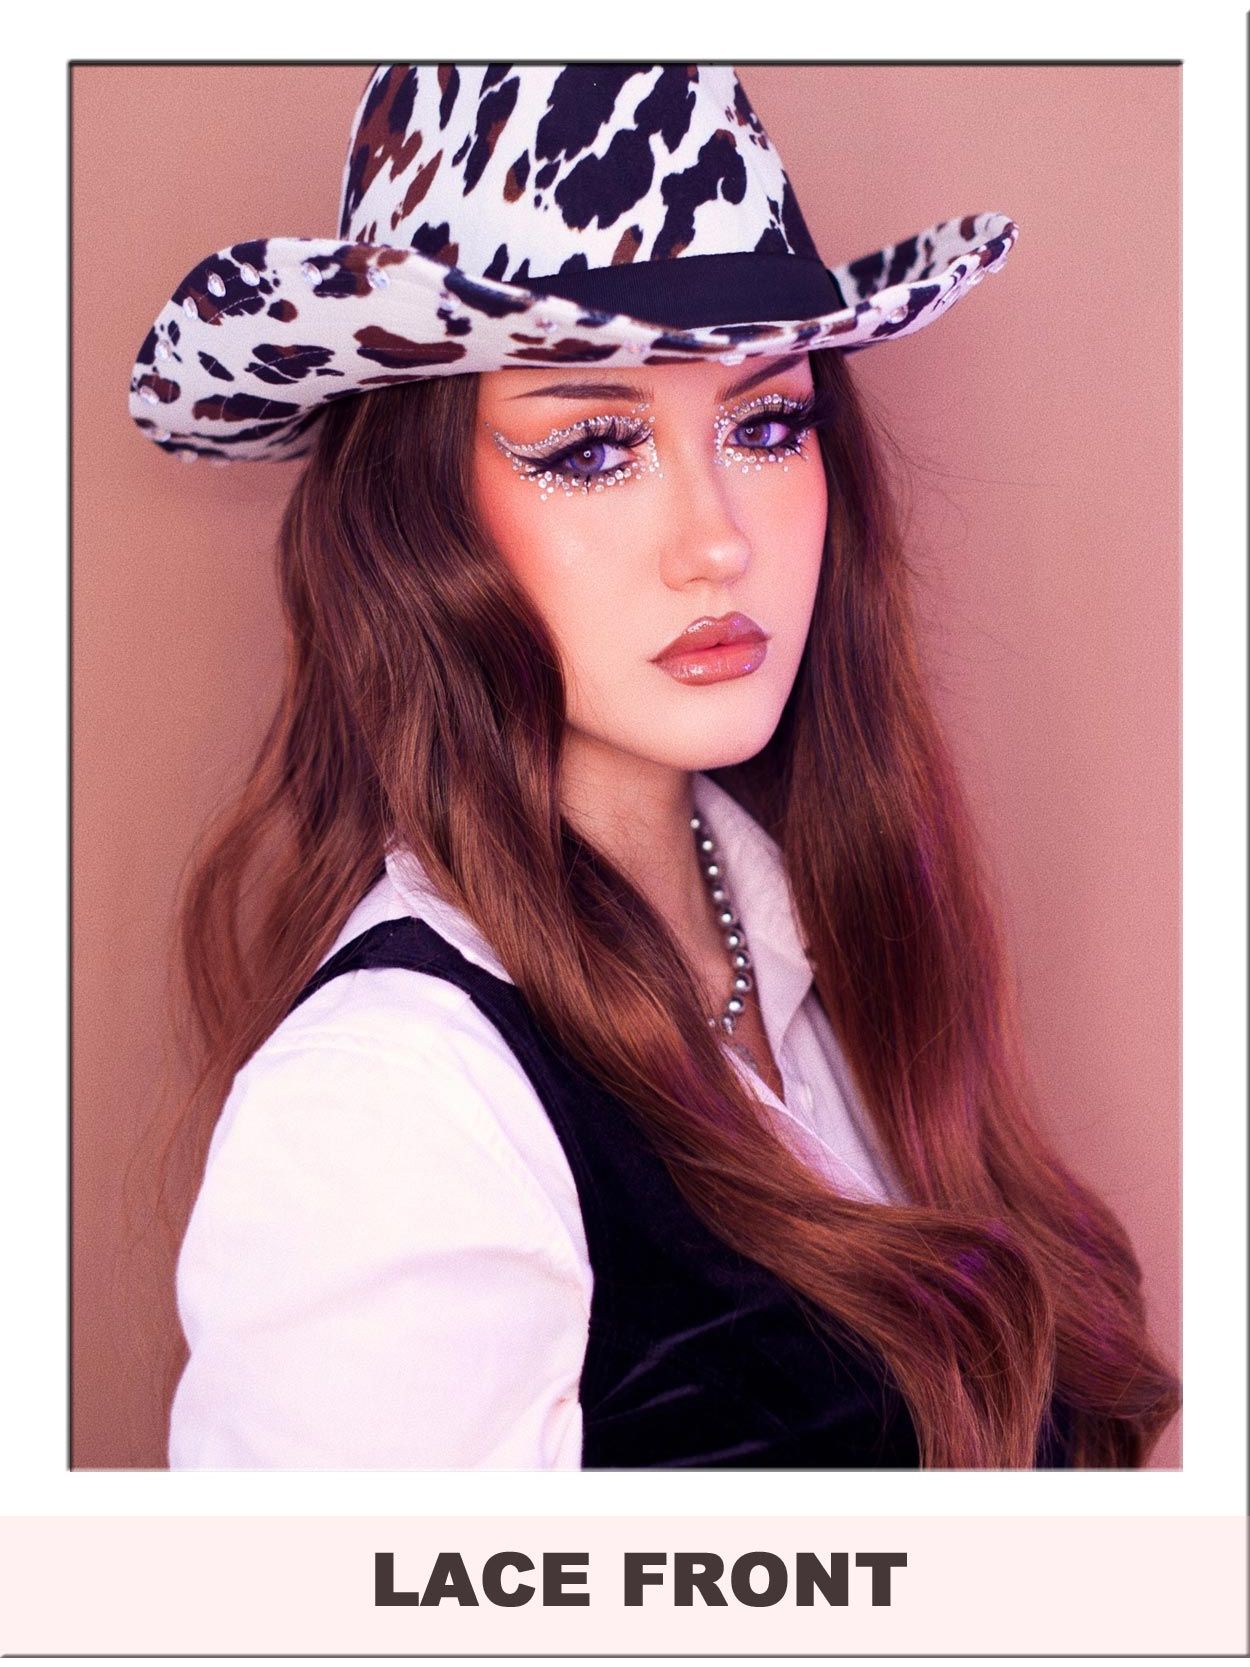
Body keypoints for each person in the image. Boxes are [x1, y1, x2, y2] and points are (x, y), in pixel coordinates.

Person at [130, 63, 1180, 1469]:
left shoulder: (824, 938)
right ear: (416, 521)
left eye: (766, 424)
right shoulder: (392, 1107)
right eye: (592, 447)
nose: (717, 542)